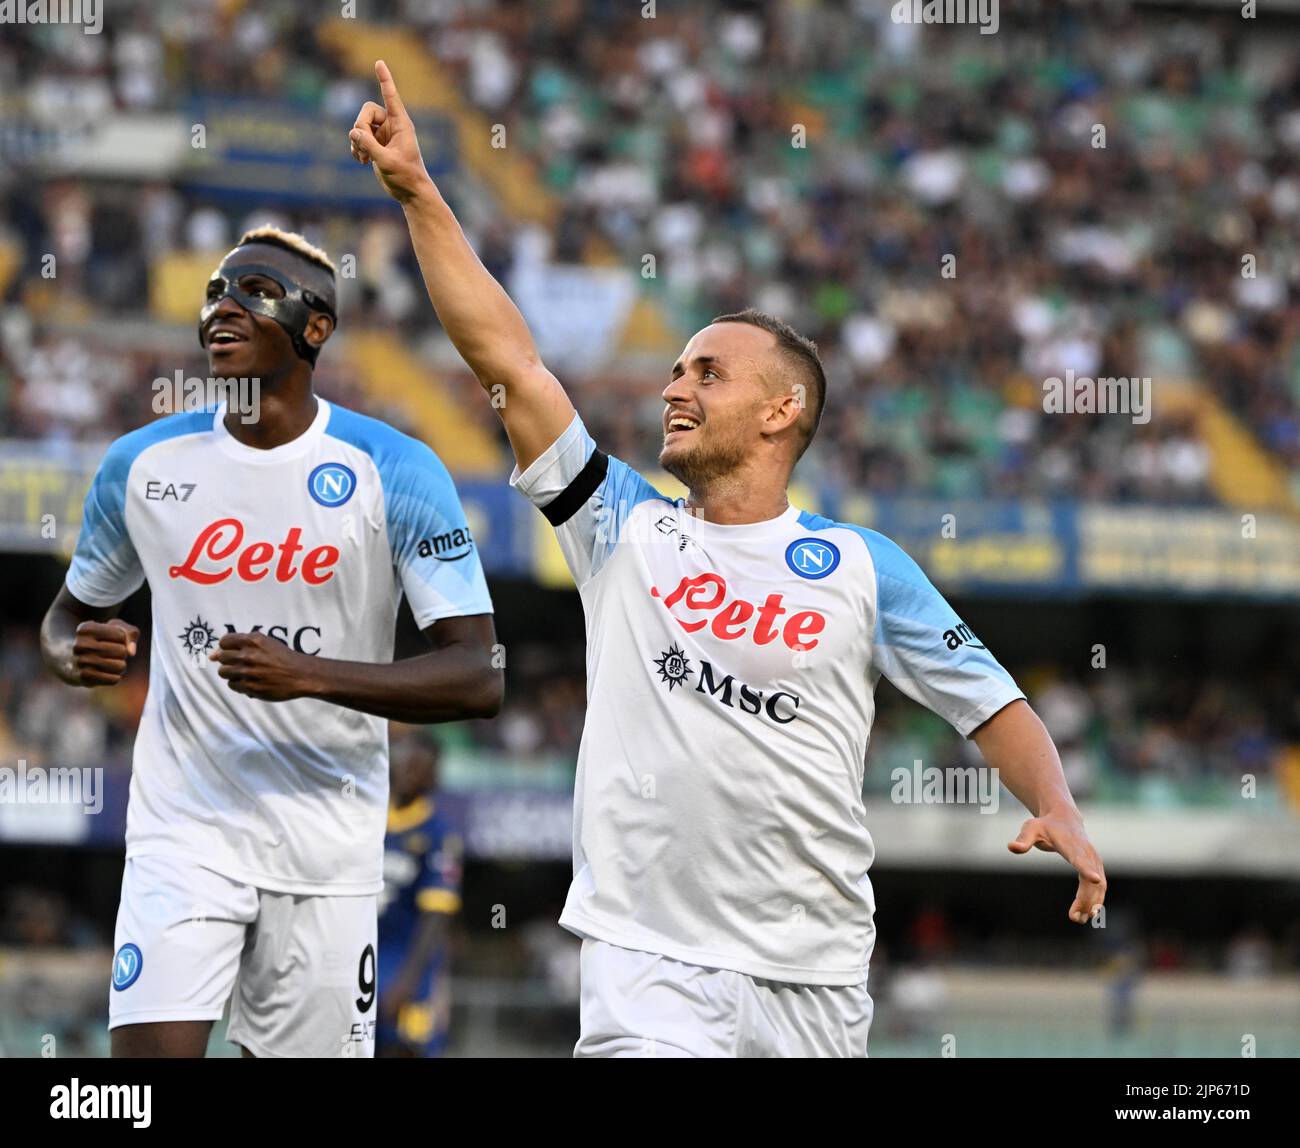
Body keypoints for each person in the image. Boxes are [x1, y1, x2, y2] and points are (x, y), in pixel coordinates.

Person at [350, 61, 1106, 1058]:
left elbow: (990, 702)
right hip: (648, 962)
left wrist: (1053, 804)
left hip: (816, 973)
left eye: (707, 372)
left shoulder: (859, 566)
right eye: (673, 370)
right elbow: (510, 362)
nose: (676, 388)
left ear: (781, 409)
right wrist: (419, 191)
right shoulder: (620, 526)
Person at [40, 225, 502, 1058]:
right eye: (215, 291)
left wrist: (309, 675)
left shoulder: (394, 469)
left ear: (314, 328)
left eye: (253, 291)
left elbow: (478, 675)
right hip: (184, 829)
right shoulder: (139, 466)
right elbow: (63, 617)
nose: (222, 306)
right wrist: (73, 652)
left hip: (330, 847)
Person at [377, 730, 462, 1057]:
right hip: (364, 962)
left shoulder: (439, 835)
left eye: (421, 766)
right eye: (407, 763)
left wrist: (407, 983)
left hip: (409, 969)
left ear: (433, 776)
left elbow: (436, 918)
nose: (411, 771)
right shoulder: (369, 822)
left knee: (408, 1048)